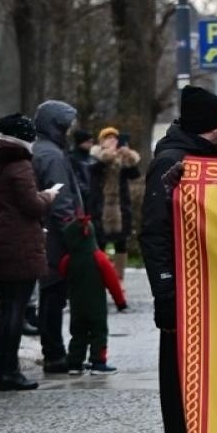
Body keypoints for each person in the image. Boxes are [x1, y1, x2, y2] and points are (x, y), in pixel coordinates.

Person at [142, 85, 217, 433]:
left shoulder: (206, 157)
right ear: (213, 126)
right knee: (180, 375)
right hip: (183, 289)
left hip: (213, 286)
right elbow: (155, 232)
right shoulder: (171, 162)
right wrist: (165, 291)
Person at [0, 114, 63, 392]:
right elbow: (32, 205)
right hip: (19, 241)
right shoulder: (19, 164)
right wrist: (48, 196)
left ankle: (1, 369)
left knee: (4, 307)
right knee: (15, 307)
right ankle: (9, 371)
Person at [32, 100, 84, 373]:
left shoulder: (45, 150)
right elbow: (61, 198)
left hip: (49, 233)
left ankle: (53, 350)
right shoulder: (51, 155)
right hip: (55, 237)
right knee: (53, 296)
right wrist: (74, 233)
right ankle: (54, 353)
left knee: (51, 296)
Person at [60, 216, 127, 374]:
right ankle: (98, 362)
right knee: (99, 333)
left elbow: (63, 276)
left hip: (77, 306)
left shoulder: (68, 260)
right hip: (96, 306)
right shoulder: (99, 257)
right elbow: (113, 282)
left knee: (78, 334)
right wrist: (120, 302)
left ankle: (75, 363)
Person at [88, 127, 141, 282]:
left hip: (120, 208)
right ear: (102, 141)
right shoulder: (96, 156)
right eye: (108, 138)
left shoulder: (121, 158)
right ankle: (99, 278)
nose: (112, 140)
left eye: (114, 138)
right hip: (101, 207)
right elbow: (93, 171)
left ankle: (119, 279)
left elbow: (135, 175)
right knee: (100, 243)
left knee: (121, 243)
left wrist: (127, 155)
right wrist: (107, 156)